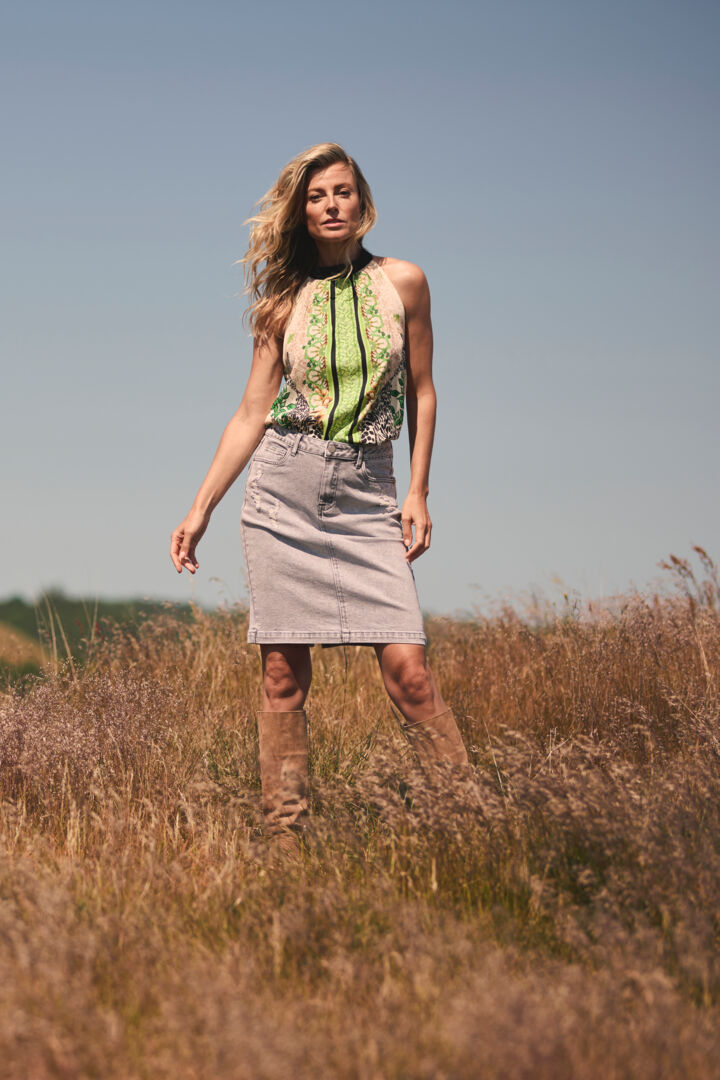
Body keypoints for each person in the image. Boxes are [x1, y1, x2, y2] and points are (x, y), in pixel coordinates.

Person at [170, 142, 470, 851]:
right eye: (317, 196)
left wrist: (418, 490)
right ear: (301, 213)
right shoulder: (281, 304)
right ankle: (286, 838)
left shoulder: (405, 282)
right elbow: (251, 413)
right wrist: (201, 507)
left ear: (363, 202)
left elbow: (423, 391)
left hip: (369, 492)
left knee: (410, 672)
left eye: (343, 191)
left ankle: (468, 824)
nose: (332, 205)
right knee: (282, 674)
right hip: (283, 491)